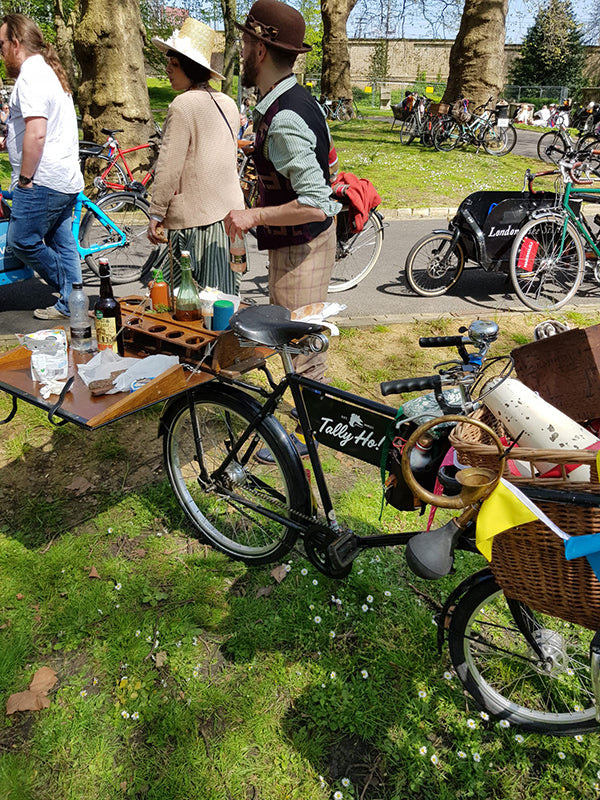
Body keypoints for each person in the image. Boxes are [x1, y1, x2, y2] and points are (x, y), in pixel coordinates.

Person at [224, 0, 340, 388]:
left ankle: (304, 443)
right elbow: (324, 161)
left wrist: (252, 216)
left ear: (259, 49)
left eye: (244, 46)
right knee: (295, 344)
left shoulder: (285, 117)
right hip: (294, 244)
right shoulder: (294, 101)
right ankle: (301, 433)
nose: (241, 53)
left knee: (302, 350)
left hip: (302, 246)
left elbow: (315, 203)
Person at [147, 17, 244, 295]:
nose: (167, 70)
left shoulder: (183, 105)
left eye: (174, 64)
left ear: (190, 68)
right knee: (222, 298)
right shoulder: (228, 102)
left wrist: (156, 212)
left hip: (197, 222)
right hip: (230, 217)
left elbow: (168, 165)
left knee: (185, 302)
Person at [0, 13, 83, 320]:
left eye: (1, 44)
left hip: (41, 180)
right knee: (64, 245)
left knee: (22, 240)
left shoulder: (31, 77)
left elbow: (37, 132)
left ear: (16, 43)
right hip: (63, 178)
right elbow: (31, 128)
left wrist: (24, 179)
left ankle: (72, 294)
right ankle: (70, 304)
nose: (1, 52)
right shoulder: (47, 72)